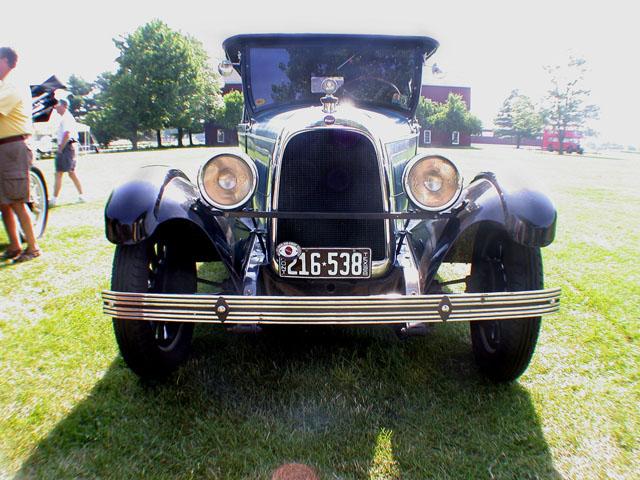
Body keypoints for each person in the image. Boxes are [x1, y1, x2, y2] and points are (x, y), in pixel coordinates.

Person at [0, 47, 41, 263]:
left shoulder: (12, 85)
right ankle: (15, 245)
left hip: (13, 147)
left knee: (16, 200)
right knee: (3, 202)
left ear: (6, 61)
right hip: (4, 147)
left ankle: (33, 247)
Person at [50, 97, 84, 206]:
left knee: (59, 173)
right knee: (71, 173)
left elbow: (67, 134)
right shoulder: (66, 117)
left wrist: (60, 148)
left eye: (58, 105)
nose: (55, 107)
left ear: (64, 106)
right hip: (69, 147)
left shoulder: (66, 118)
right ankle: (82, 195)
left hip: (66, 147)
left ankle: (54, 199)